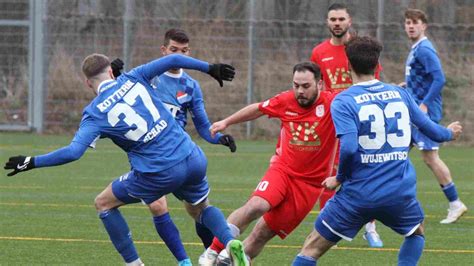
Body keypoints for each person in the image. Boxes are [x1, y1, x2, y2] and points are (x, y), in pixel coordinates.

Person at [4, 53, 249, 266]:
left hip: (158, 172)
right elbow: (174, 60)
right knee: (201, 209)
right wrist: (210, 68)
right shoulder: (134, 76)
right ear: (111, 70)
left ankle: (134, 263)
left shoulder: (94, 112)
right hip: (192, 156)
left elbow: (73, 152)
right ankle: (230, 242)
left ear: (88, 83)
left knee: (103, 203)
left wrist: (31, 161)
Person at [291, 36, 463, 266]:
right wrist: (450, 133)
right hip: (398, 193)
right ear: (378, 66)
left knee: (311, 247)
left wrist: (339, 178)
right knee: (416, 232)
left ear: (348, 67)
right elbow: (431, 129)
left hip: (358, 195)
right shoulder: (400, 94)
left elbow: (350, 148)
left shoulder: (343, 101)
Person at [110, 29, 236, 263]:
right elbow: (122, 95)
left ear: (190, 52)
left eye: (184, 51)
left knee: (197, 210)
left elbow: (201, 125)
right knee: (161, 206)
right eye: (174, 50)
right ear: (164, 51)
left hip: (171, 153)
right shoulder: (150, 77)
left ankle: (210, 255)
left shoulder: (190, 86)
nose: (179, 56)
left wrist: (218, 138)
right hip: (161, 154)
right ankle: (204, 255)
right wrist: (116, 76)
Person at [199, 62, 339, 265]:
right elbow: (258, 109)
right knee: (257, 205)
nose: (300, 91)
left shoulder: (334, 103)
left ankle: (229, 261)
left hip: (309, 187)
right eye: (296, 85)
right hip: (283, 171)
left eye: (306, 86)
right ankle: (213, 249)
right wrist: (226, 122)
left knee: (261, 234)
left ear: (320, 84)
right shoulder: (286, 100)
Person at [310, 2, 383, 247]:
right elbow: (317, 87)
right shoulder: (319, 52)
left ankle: (370, 227)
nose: (337, 23)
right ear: (327, 22)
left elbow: (374, 79)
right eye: (333, 19)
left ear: (349, 21)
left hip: (361, 120)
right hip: (333, 120)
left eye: (341, 19)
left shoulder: (361, 49)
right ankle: (326, 224)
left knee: (366, 170)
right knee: (328, 172)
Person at [403, 8, 467, 224]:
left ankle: (455, 203)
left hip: (423, 114)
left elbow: (439, 79)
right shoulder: (416, 48)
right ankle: (393, 202)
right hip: (414, 113)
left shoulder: (424, 49)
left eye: (415, 22)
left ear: (424, 26)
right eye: (407, 22)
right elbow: (422, 79)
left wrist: (424, 105)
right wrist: (404, 86)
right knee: (398, 153)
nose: (410, 26)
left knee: (430, 158)